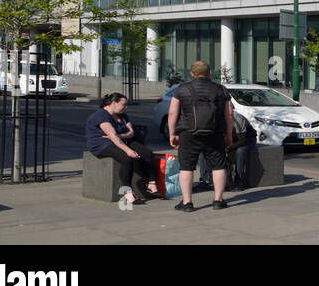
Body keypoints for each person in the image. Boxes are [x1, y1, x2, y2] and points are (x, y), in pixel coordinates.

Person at [167, 60, 235, 211]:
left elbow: (172, 113)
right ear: (210, 73)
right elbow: (229, 114)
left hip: (188, 133)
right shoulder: (220, 89)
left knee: (186, 167)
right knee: (218, 166)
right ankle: (218, 200)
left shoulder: (182, 89)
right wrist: (229, 134)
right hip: (214, 133)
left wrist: (172, 133)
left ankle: (187, 202)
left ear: (192, 74)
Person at [86, 92, 159, 205]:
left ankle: (150, 182)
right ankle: (127, 191)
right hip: (102, 144)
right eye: (123, 104)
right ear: (114, 103)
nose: (125, 107)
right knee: (126, 158)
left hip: (121, 140)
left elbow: (130, 133)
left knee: (147, 153)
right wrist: (128, 150)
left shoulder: (123, 115)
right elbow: (113, 138)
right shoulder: (101, 115)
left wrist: (120, 136)